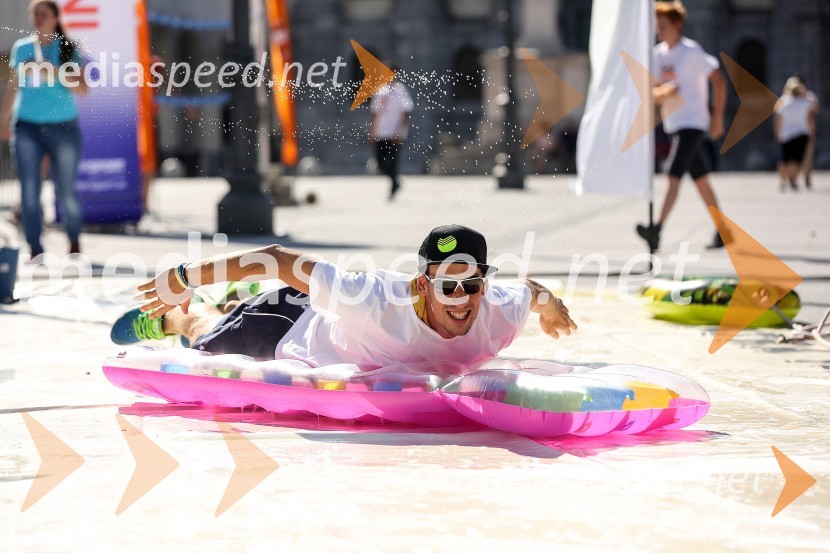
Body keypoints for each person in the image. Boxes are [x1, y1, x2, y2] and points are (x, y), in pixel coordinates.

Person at [111, 225, 578, 369]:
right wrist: (184, 276)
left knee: (243, 304)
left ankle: (236, 300)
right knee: (206, 337)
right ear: (421, 284)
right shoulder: (371, 298)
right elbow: (275, 257)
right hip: (288, 327)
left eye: (471, 285)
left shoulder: (501, 309)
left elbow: (531, 292)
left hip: (320, 309)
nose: (462, 299)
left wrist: (551, 304)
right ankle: (176, 319)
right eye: (447, 286)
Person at [636, 0, 727, 252]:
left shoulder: (691, 52)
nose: (659, 30)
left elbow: (719, 81)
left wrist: (717, 117)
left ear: (678, 25)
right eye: (657, 26)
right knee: (701, 180)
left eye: (663, 25)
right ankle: (723, 231)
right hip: (674, 123)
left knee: (673, 175)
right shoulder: (657, 54)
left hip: (693, 122)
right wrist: (662, 91)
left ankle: (657, 229)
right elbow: (650, 92)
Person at [0, 0, 88, 260]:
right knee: (29, 190)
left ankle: (73, 240)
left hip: (64, 126)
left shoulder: (68, 47)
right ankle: (34, 247)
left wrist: (57, 73)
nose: (38, 18)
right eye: (35, 14)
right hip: (27, 126)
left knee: (66, 189)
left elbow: (83, 89)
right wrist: (3, 120)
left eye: (44, 13)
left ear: (55, 17)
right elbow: (13, 86)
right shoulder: (22, 47)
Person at [369, 65, 413, 201]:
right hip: (381, 132)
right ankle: (395, 181)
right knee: (380, 163)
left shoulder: (400, 90)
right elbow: (376, 113)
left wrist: (399, 132)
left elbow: (405, 111)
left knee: (393, 162)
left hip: (394, 133)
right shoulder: (380, 90)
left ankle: (393, 187)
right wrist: (373, 131)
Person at [775, 77, 818, 192]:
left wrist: (778, 134)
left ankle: (785, 180)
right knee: (796, 161)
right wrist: (812, 131)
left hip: (786, 134)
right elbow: (812, 114)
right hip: (801, 133)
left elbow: (778, 120)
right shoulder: (805, 101)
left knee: (786, 160)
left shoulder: (783, 101)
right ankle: (792, 180)